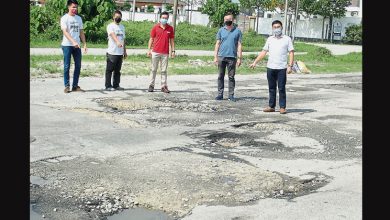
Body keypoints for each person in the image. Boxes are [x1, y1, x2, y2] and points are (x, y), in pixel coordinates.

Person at [249, 20, 294, 114]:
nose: (277, 29)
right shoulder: (270, 39)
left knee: (281, 88)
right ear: (272, 28)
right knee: (271, 88)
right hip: (271, 67)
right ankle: (271, 106)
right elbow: (264, 52)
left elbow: (291, 52)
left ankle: (282, 107)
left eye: (278, 27)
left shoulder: (287, 39)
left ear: (282, 27)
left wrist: (290, 66)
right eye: (275, 27)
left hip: (281, 67)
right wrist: (255, 62)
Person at [214, 12, 242, 102]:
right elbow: (217, 44)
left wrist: (239, 58)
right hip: (221, 56)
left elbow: (239, 45)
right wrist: (215, 56)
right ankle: (220, 94)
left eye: (229, 19)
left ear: (233, 20)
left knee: (231, 77)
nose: (228, 21)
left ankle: (231, 95)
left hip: (232, 57)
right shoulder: (220, 30)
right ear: (224, 20)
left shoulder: (237, 31)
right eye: (226, 20)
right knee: (220, 76)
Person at [60, 0, 87, 93]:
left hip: (77, 46)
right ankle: (67, 86)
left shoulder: (79, 18)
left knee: (78, 65)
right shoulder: (64, 18)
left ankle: (75, 86)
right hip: (67, 45)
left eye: (76, 7)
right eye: (73, 7)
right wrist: (73, 41)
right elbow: (65, 31)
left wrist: (84, 44)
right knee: (67, 66)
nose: (75, 9)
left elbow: (81, 32)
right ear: (69, 7)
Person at [147, 11, 175, 93]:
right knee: (153, 69)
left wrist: (173, 51)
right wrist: (149, 50)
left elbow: (172, 40)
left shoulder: (170, 28)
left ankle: (163, 86)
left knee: (164, 70)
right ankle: (151, 85)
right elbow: (151, 39)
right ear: (160, 18)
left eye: (166, 18)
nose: (164, 19)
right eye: (163, 18)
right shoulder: (155, 27)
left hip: (165, 53)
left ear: (168, 19)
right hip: (155, 52)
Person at [105, 10, 127, 91]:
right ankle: (108, 86)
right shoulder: (110, 26)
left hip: (120, 52)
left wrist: (124, 51)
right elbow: (112, 34)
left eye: (119, 17)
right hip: (112, 52)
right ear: (113, 17)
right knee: (109, 70)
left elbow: (123, 40)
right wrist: (117, 41)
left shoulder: (122, 27)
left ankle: (116, 85)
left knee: (117, 70)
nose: (118, 18)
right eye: (117, 17)